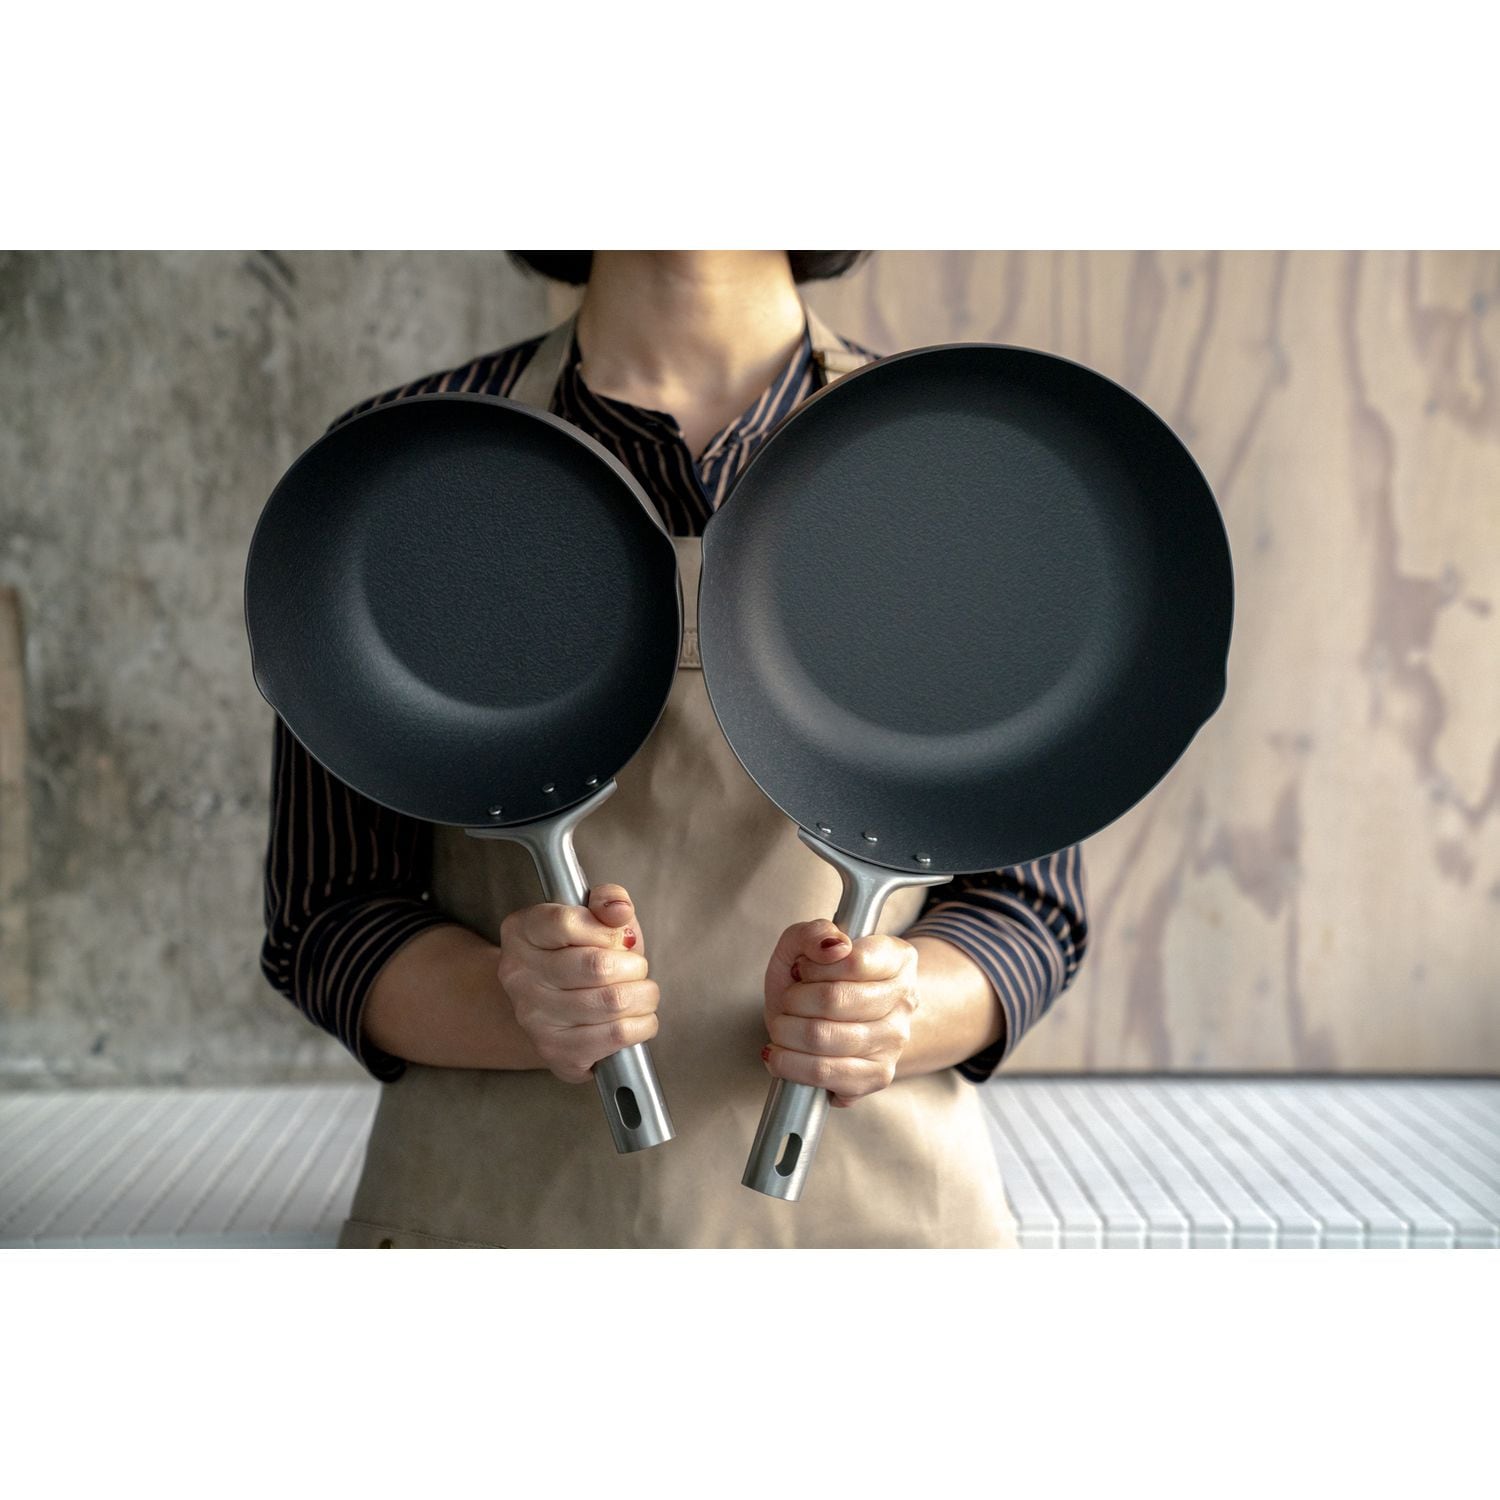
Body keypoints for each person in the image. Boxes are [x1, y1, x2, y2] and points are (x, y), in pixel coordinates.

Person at [259, 250, 1089, 1247]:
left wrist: (892, 1008)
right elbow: (328, 913)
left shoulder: (953, 475)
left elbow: (1028, 906)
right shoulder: (407, 463)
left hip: (873, 1225)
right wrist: (513, 1003)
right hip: (497, 1222)